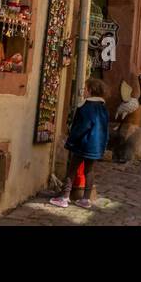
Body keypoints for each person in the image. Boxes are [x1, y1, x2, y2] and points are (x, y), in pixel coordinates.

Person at [51, 77, 109, 208]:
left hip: (82, 144)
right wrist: (103, 146)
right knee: (89, 171)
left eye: (85, 88)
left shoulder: (85, 107)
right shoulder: (103, 108)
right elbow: (105, 130)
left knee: (72, 169)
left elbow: (81, 127)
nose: (83, 91)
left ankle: (64, 197)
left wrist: (71, 141)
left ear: (89, 91)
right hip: (96, 146)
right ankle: (85, 200)